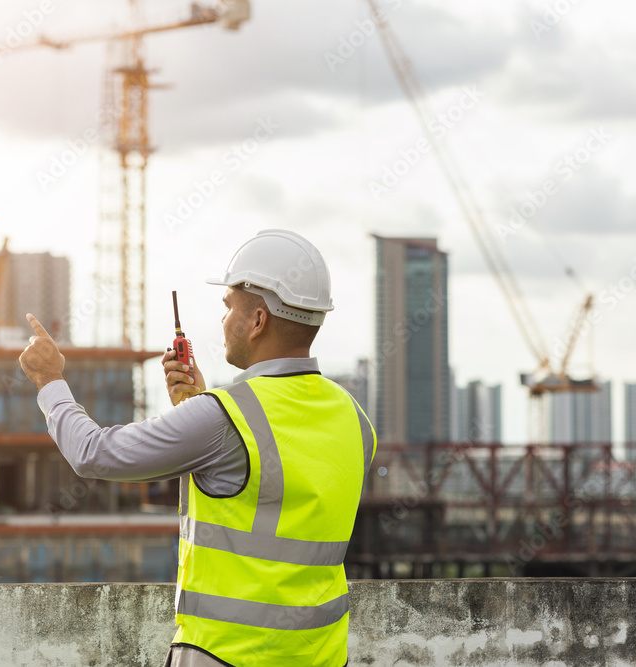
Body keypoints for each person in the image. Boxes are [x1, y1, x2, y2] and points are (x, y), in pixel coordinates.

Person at [19, 229, 376, 667]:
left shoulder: (224, 416)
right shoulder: (354, 417)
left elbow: (95, 453)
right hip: (320, 655)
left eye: (228, 307)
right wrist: (202, 410)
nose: (223, 320)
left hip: (225, 655)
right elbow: (275, 491)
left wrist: (49, 380)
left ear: (259, 320)